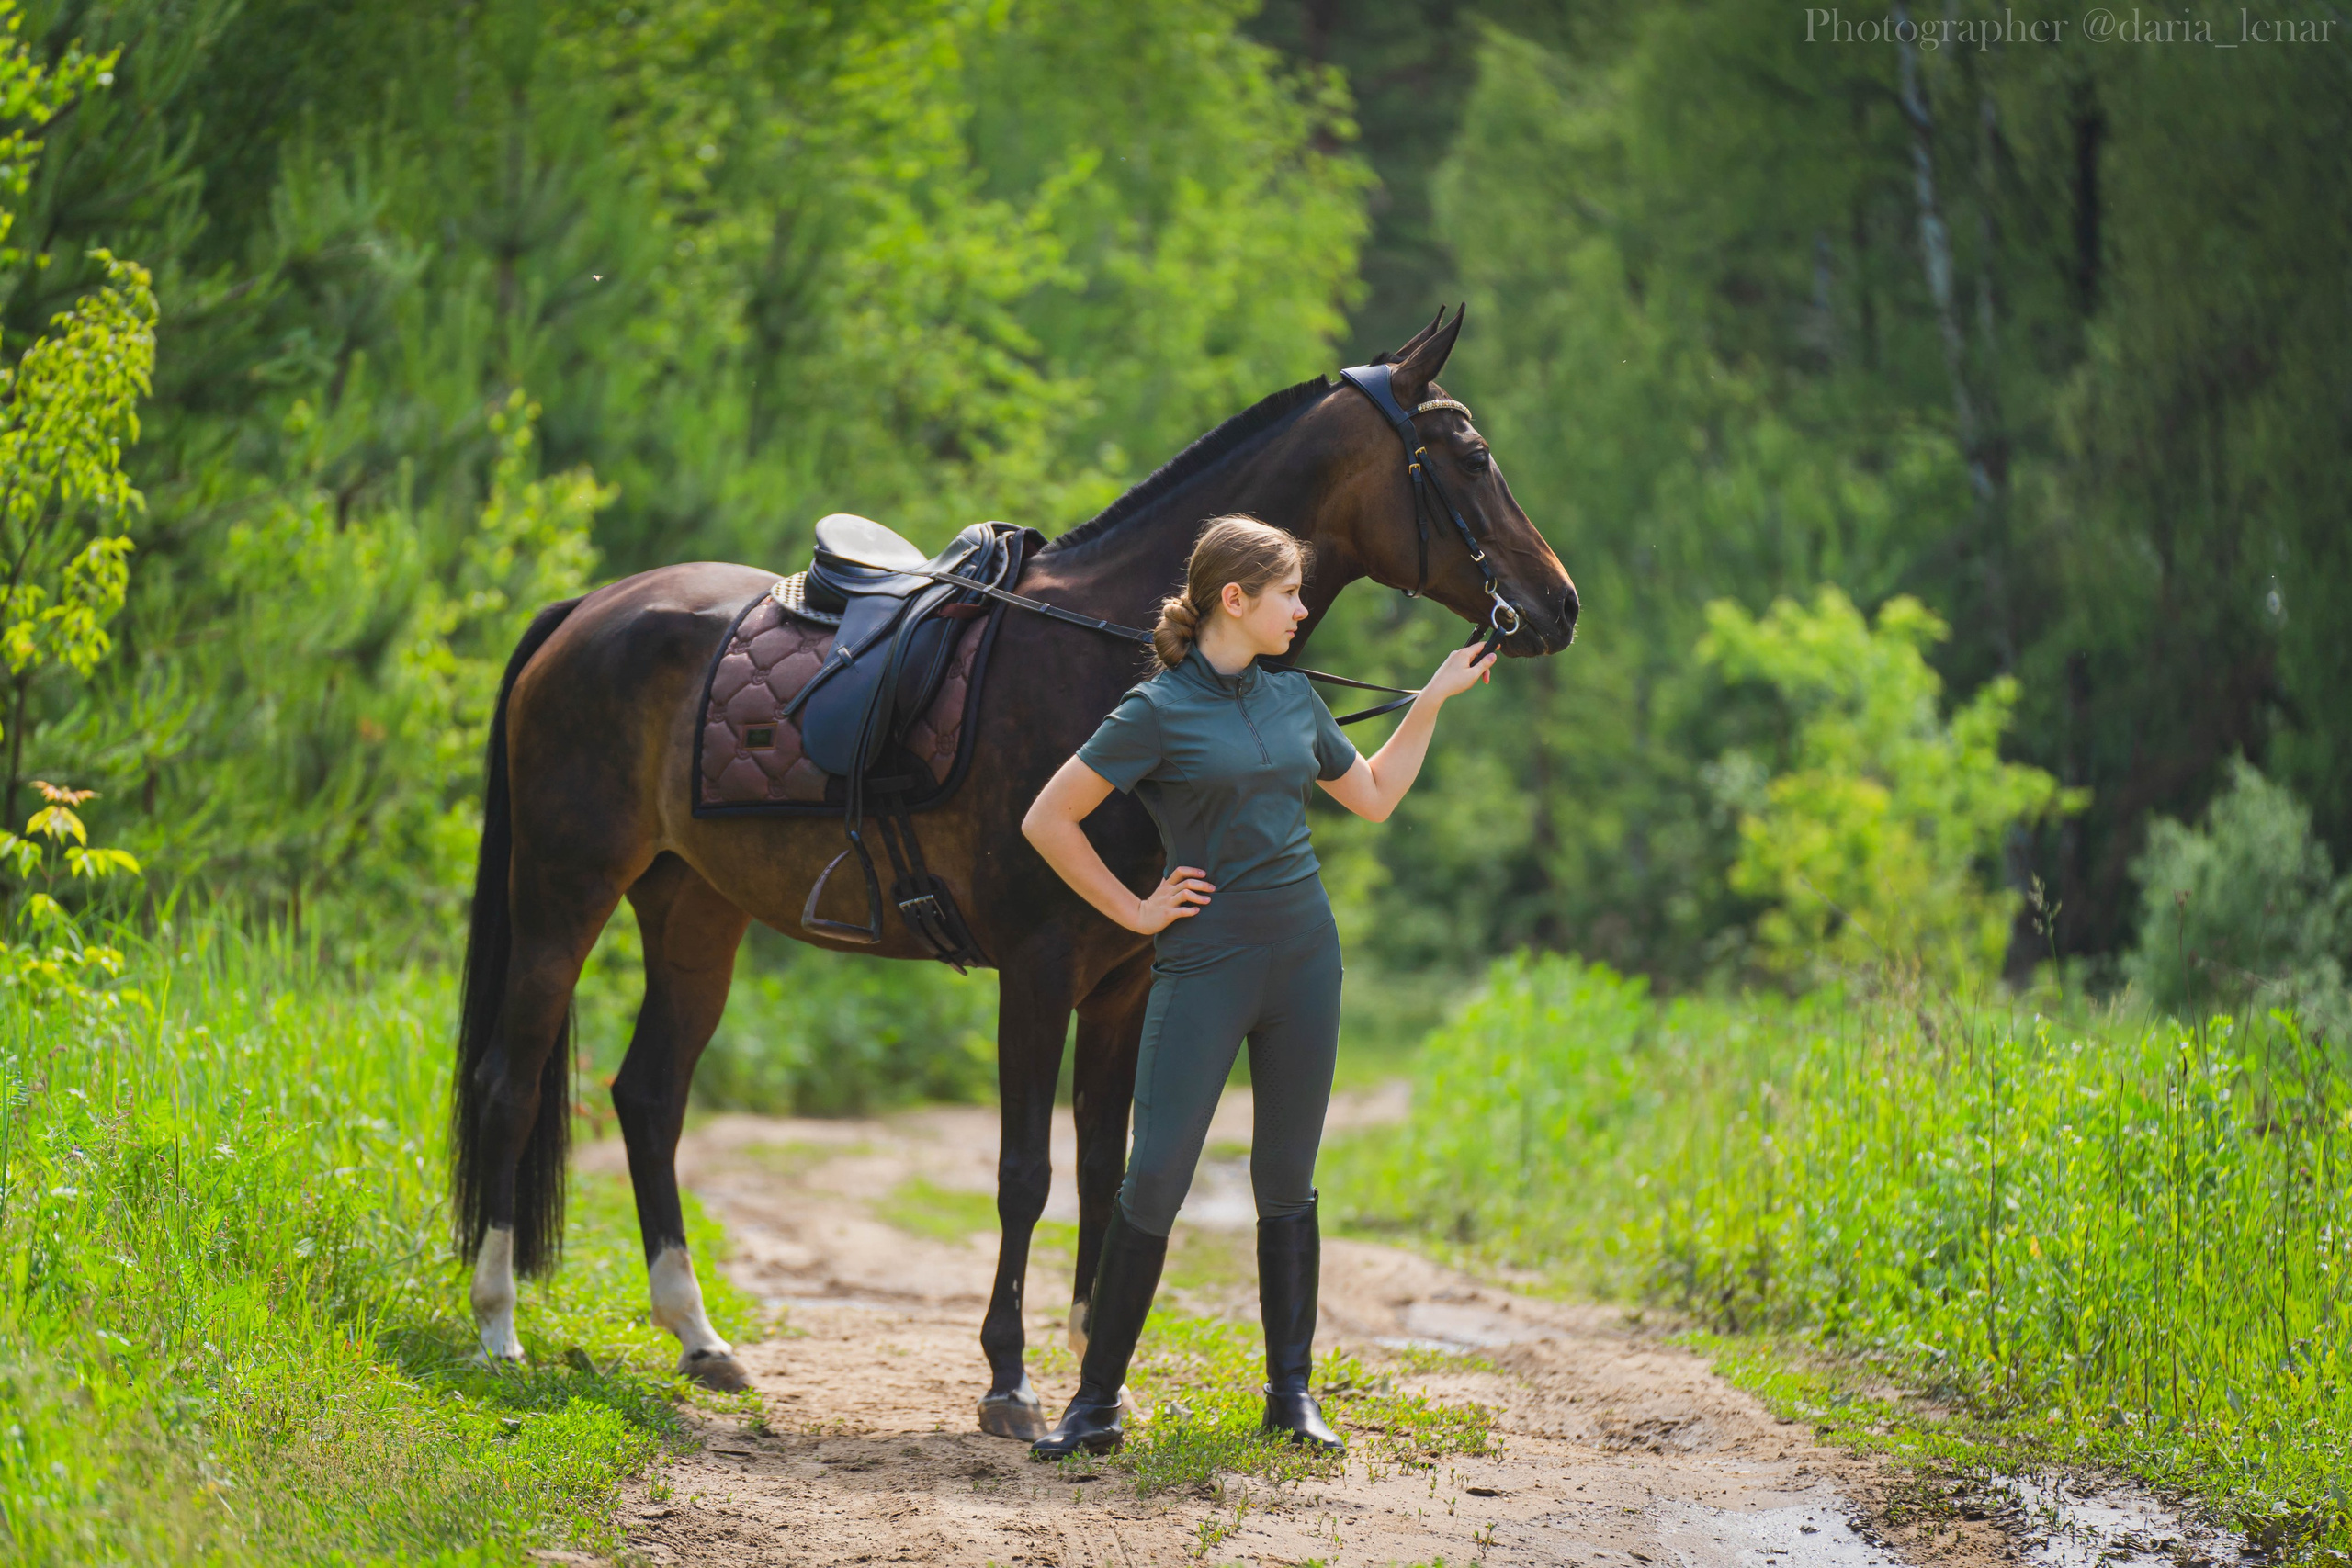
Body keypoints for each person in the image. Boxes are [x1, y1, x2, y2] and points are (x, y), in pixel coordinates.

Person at [1019, 514, 1498, 1459]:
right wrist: (1136, 911)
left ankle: (1291, 1399)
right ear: (1232, 599)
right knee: (1153, 1176)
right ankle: (1095, 1404)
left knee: (1287, 1180)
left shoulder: (1293, 698)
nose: (1303, 608)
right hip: (1205, 963)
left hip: (1304, 960)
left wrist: (1433, 700)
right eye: (1289, 592)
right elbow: (1048, 818)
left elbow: (1371, 795)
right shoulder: (1155, 711)